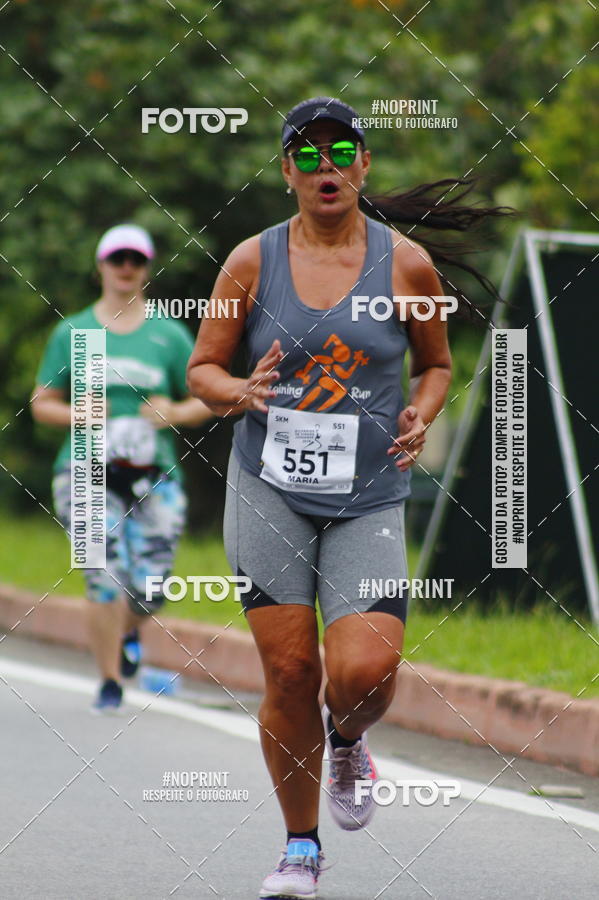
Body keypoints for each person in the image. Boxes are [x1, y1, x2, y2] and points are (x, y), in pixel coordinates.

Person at [187, 97, 510, 898]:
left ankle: (347, 738)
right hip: (270, 488)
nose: (323, 166)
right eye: (305, 154)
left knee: (363, 673)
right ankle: (301, 847)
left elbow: (435, 364)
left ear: (363, 166)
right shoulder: (249, 263)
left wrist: (423, 412)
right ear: (287, 170)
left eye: (339, 151)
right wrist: (239, 391)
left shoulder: (404, 265)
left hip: (368, 493)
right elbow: (202, 370)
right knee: (291, 671)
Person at [32, 224, 212, 712]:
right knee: (101, 573)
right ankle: (110, 681)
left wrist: (174, 412)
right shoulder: (75, 332)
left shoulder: (168, 335)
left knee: (152, 583)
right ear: (101, 267)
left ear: (147, 269)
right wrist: (79, 413)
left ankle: (129, 631)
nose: (126, 268)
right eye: (118, 259)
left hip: (154, 472)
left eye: (136, 260)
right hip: (85, 467)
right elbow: (41, 403)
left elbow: (205, 398)